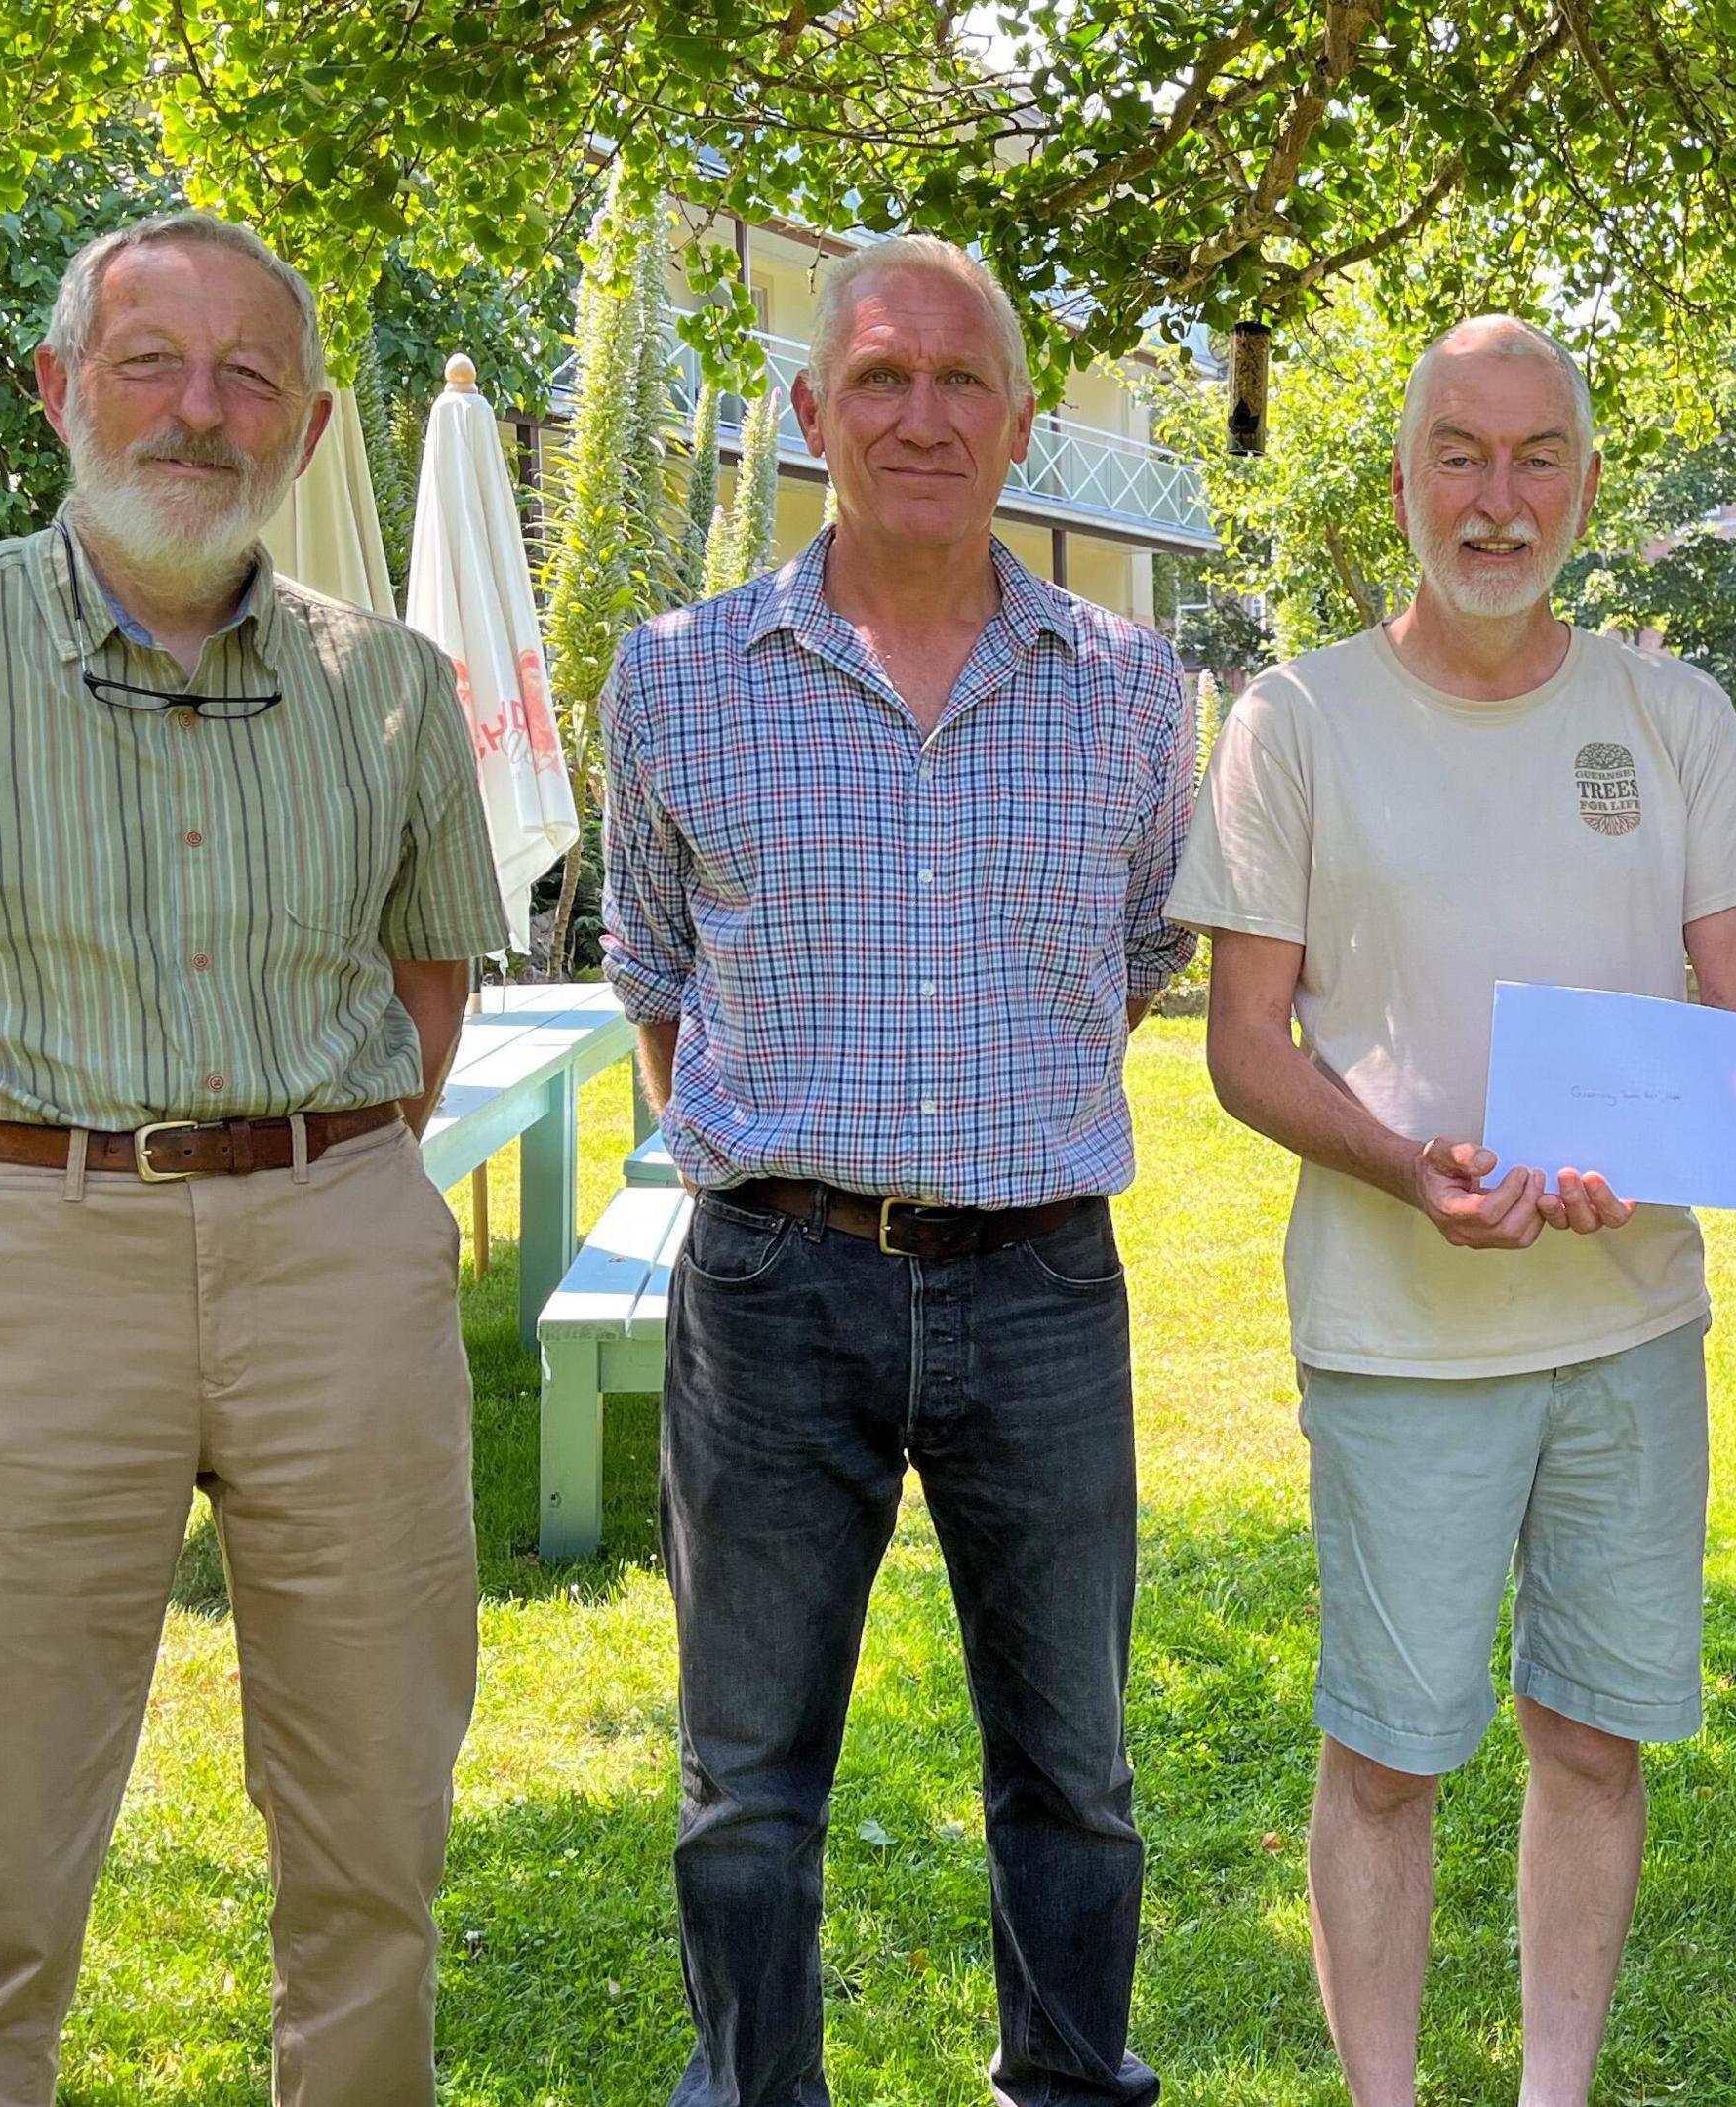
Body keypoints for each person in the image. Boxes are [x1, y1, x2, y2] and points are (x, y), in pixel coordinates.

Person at [0, 211, 506, 2103]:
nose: (200, 411)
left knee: (380, 1820)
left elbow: (427, 995)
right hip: (21, 1255)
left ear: (309, 436)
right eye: (152, 361)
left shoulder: (391, 689)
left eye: (252, 378)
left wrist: (315, 1184)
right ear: (61, 390)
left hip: (341, 1258)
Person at [1166, 314, 1736, 2104]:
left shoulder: (1671, 716)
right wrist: (1409, 1164)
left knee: (1593, 1744)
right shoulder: (1296, 717)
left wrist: (1660, 1147)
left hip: (1628, 1323)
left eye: (1537, 460)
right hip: (1396, 1336)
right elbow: (1241, 1044)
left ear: (1591, 487)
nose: (1498, 499)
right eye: (1461, 453)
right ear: (1401, 484)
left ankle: (1553, 2091)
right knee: (1387, 1755)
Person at [600, 234, 1196, 2107]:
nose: (921, 414)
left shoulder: (1126, 687)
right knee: (748, 1787)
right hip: (772, 1292)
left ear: (1021, 421)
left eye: (960, 381)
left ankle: (1070, 2088)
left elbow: (1137, 959)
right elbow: (654, 974)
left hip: (1041, 1284)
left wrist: (987, 1146)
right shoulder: (679, 675)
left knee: (1075, 1773)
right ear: (810, 413)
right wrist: (793, 1173)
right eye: (878, 377)